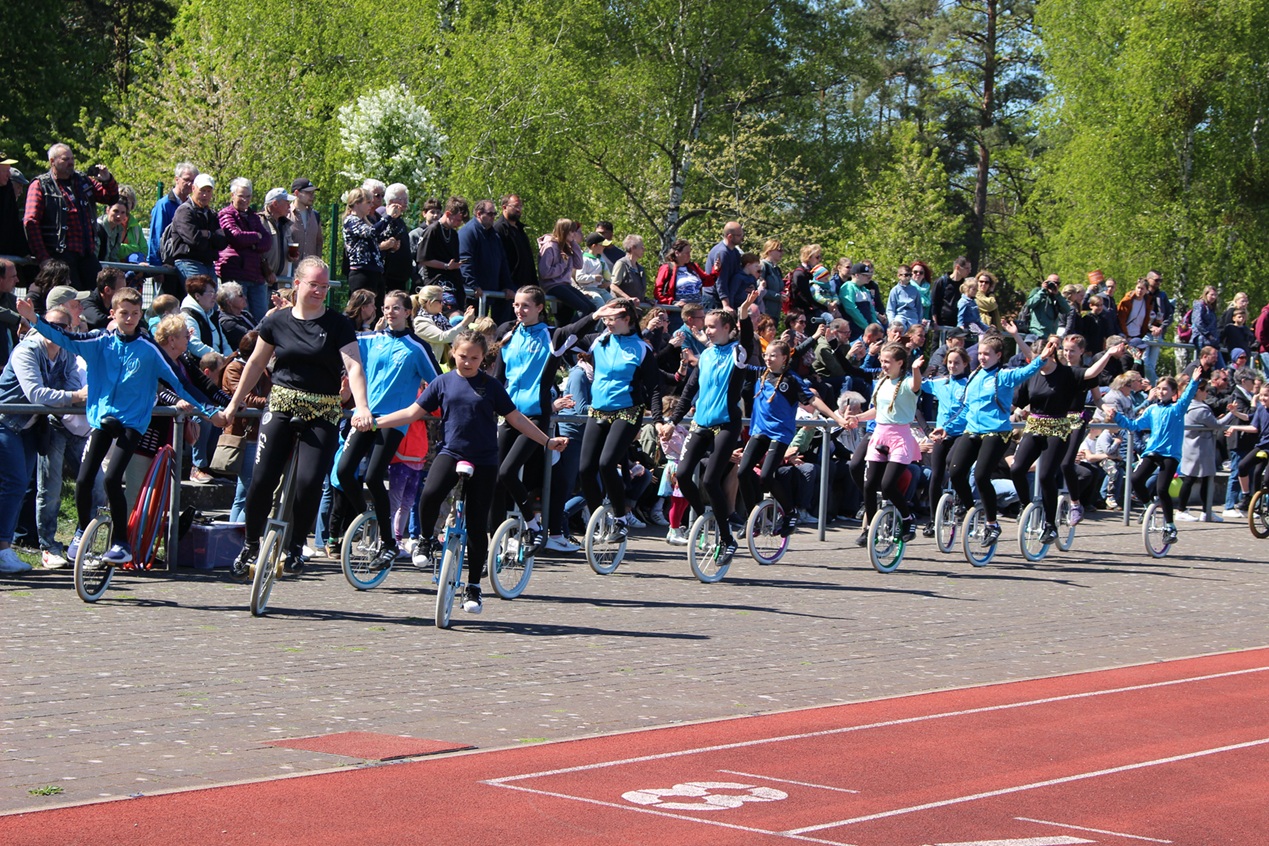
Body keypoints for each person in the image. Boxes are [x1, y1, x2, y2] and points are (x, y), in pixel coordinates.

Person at [15, 288, 224, 565]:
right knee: (84, 479)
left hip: (133, 423)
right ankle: (82, 531)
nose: (129, 318)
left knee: (113, 479)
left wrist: (211, 412)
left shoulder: (149, 348)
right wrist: (34, 319)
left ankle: (121, 542)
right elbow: (64, 337)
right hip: (103, 419)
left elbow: (181, 383)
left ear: (140, 315)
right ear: (112, 314)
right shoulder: (99, 340)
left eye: (135, 313)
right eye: (124, 313)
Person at [375, 329, 567, 615]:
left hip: (485, 459)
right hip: (451, 452)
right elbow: (412, 412)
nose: (467, 362)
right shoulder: (442, 382)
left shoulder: (491, 386)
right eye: (463, 356)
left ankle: (474, 586)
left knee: (478, 526)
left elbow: (516, 418)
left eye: (474, 358)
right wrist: (375, 422)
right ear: (453, 353)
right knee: (429, 494)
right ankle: (426, 540)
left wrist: (547, 441)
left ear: (483, 359)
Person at [222, 258, 374, 581]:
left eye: (324, 286)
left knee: (309, 481)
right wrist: (234, 404)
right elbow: (255, 364)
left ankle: (295, 546)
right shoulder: (277, 321)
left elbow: (354, 366)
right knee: (261, 478)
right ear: (297, 284)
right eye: (313, 285)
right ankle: (250, 544)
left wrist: (362, 406)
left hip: (323, 409)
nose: (319, 291)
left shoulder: (338, 324)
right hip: (282, 402)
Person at [327, 290, 440, 567]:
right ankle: (369, 516)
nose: (390, 312)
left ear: (408, 312)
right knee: (343, 471)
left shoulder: (417, 347)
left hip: (394, 421)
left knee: (374, 476)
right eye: (386, 308)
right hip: (365, 417)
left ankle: (389, 543)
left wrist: (418, 409)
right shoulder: (369, 340)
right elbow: (341, 346)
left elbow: (438, 382)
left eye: (396, 308)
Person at [661, 290, 762, 565]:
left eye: (713, 326)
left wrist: (743, 313)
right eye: (705, 327)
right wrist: (672, 422)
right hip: (701, 423)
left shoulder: (737, 353)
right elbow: (688, 392)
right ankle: (708, 515)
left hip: (726, 424)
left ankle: (727, 539)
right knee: (682, 475)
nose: (707, 331)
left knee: (710, 480)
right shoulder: (705, 355)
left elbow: (747, 340)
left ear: (727, 328)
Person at [554, 299, 664, 545]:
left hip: (628, 412)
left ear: (628, 319)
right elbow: (564, 337)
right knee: (586, 469)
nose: (607, 322)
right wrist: (594, 315)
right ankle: (598, 518)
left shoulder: (641, 348)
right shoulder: (598, 340)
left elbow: (655, 388)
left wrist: (658, 420)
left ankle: (621, 518)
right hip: (599, 411)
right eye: (605, 319)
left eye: (612, 318)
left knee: (606, 463)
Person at [936, 321, 1051, 546]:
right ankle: (970, 509)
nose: (982, 357)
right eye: (980, 353)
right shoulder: (974, 376)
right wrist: (946, 427)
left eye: (987, 354)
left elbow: (1026, 371)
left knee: (981, 476)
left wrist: (1042, 359)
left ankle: (992, 523)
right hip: (972, 430)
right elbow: (965, 408)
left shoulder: (1004, 376)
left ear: (998, 355)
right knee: (955, 471)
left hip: (996, 433)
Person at [1009, 336, 1122, 543]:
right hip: (1035, 425)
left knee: (1051, 473)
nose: (1069, 354)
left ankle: (1054, 522)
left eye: (1073, 350)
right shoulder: (1032, 375)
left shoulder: (1069, 373)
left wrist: (1108, 353)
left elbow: (1092, 375)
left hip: (1061, 426)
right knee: (1016, 469)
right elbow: (1015, 403)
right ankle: (1026, 506)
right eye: (1066, 350)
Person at [0, 305, 86, 573]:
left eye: (63, 327)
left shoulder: (67, 353)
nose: (56, 331)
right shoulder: (26, 350)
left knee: (19, 486)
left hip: (30, 426)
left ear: (71, 329)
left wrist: (73, 396)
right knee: (14, 483)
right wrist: (74, 397)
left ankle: (4, 548)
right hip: (5, 422)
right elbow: (37, 393)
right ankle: (2, 550)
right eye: (51, 325)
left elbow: (72, 385)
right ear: (40, 325)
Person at [737, 340, 849, 536]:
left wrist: (836, 417)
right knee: (743, 472)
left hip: (779, 434)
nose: (768, 359)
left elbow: (813, 400)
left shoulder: (791, 379)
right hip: (759, 431)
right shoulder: (760, 374)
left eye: (773, 355)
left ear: (784, 358)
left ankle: (790, 512)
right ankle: (753, 518)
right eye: (766, 355)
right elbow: (739, 363)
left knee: (766, 476)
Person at [489, 285, 574, 546]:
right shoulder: (509, 335)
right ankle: (495, 540)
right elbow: (498, 379)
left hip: (536, 417)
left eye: (525, 305)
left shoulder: (552, 335)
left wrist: (596, 315)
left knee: (508, 472)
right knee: (496, 479)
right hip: (510, 415)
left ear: (539, 307)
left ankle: (533, 523)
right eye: (516, 305)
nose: (519, 309)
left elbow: (580, 329)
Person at [1105, 373, 1203, 545]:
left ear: (1173, 392)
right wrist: (1117, 416)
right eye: (1159, 388)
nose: (1161, 392)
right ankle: (1147, 506)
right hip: (1152, 452)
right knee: (1135, 479)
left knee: (1162, 489)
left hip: (1170, 455)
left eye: (1165, 389)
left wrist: (1194, 381)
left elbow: (1187, 396)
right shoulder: (1152, 410)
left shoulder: (1177, 409)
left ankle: (1170, 526)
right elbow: (1134, 425)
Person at [846, 344, 925, 544]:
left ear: (900, 363)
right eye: (881, 361)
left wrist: (916, 369)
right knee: (869, 485)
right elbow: (878, 410)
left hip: (899, 437)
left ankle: (907, 518)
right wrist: (858, 418)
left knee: (888, 485)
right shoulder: (881, 382)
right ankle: (870, 528)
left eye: (887, 361)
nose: (883, 365)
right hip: (880, 435)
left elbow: (916, 385)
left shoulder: (907, 383)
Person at [23, 143, 118, 289]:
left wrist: (107, 179)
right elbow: (31, 222)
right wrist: (43, 258)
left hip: (86, 253)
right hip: (59, 256)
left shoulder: (83, 180)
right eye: (65, 159)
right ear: (52, 161)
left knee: (99, 292)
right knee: (69, 296)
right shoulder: (41, 185)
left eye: (72, 158)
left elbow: (110, 198)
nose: (71, 162)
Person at [920, 346, 971, 535]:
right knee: (936, 475)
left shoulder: (968, 385)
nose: (952, 366)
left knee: (954, 465)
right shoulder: (940, 383)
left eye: (957, 362)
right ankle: (933, 519)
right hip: (940, 437)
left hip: (959, 434)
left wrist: (947, 428)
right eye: (950, 362)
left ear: (964, 364)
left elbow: (965, 410)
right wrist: (917, 370)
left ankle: (962, 502)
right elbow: (917, 384)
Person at [216, 178, 274, 322]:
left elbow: (267, 241)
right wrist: (256, 237)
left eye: (248, 196)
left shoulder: (253, 217)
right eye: (241, 196)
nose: (245, 200)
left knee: (261, 319)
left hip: (255, 274)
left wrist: (251, 242)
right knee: (240, 316)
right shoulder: (226, 214)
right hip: (236, 272)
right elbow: (236, 237)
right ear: (232, 195)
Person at [168, 174, 227, 283]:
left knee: (210, 293)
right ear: (193, 188)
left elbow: (222, 242)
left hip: (208, 264)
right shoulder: (184, 211)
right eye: (202, 190)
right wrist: (212, 237)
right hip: (189, 262)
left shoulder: (211, 214)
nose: (205, 195)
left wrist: (207, 234)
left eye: (209, 191)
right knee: (201, 292)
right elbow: (194, 240)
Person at [343, 186, 395, 308]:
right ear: (357, 203)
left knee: (377, 309)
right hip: (361, 272)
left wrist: (393, 219)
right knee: (361, 309)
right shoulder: (351, 220)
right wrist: (387, 217)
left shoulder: (366, 222)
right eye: (368, 203)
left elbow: (379, 234)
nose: (371, 206)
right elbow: (370, 232)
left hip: (375, 271)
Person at [417, 196, 469, 311]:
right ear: (448, 214)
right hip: (436, 282)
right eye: (457, 220)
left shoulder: (453, 234)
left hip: (453, 281)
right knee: (450, 312)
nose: (459, 224)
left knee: (461, 309)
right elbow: (423, 259)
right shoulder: (432, 230)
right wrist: (445, 266)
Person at [148, 163, 199, 275]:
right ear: (177, 179)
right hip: (167, 265)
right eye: (186, 180)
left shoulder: (193, 206)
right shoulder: (164, 204)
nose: (190, 184)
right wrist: (157, 267)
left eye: (193, 181)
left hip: (185, 263)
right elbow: (156, 236)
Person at [412, 285, 476, 365]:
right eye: (440, 301)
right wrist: (464, 322)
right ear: (429, 302)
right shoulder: (420, 322)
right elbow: (443, 337)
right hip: (424, 368)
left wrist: (464, 321)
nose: (443, 304)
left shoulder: (440, 318)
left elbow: (455, 336)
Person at [492, 194, 537, 290]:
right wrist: (505, 285)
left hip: (526, 285)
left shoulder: (520, 230)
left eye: (520, 206)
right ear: (504, 207)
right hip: (509, 287)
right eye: (515, 206)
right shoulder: (499, 229)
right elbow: (498, 261)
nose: (519, 209)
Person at [653, 239, 714, 308]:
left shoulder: (693, 267)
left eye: (689, 252)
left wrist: (716, 270)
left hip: (697, 309)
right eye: (686, 253)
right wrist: (672, 303)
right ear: (677, 253)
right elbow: (658, 292)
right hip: (678, 310)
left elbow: (708, 282)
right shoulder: (667, 268)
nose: (689, 255)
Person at [704, 221, 744, 309]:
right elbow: (721, 280)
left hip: (725, 297)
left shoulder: (735, 252)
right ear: (730, 236)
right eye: (739, 235)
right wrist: (726, 305)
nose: (742, 237)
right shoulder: (723, 253)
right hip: (714, 299)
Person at [288, 178, 322, 263]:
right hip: (291, 269)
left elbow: (319, 242)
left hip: (311, 268)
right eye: (308, 192)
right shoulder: (286, 215)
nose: (312, 196)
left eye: (313, 193)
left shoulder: (315, 216)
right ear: (296, 193)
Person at [931, 256, 972, 328]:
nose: (969, 271)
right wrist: (935, 322)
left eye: (970, 268)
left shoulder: (965, 284)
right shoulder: (942, 282)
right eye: (967, 268)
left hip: (960, 325)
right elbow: (934, 303)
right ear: (957, 267)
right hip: (942, 325)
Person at [216, 282, 256, 351]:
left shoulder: (245, 314)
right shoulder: (226, 322)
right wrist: (267, 317)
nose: (245, 297)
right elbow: (252, 337)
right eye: (240, 295)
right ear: (229, 302)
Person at [610, 235, 648, 302]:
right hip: (621, 306)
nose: (644, 249)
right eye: (641, 247)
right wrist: (628, 298)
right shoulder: (621, 264)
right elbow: (613, 286)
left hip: (636, 308)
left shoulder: (640, 268)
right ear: (633, 248)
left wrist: (646, 300)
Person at [887, 265, 923, 330]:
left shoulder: (915, 290)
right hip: (900, 316)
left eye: (910, 275)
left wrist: (919, 322)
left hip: (912, 317)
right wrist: (892, 322)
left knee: (914, 331)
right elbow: (890, 309)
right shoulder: (895, 290)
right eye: (906, 275)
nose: (908, 277)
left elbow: (919, 307)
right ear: (899, 276)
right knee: (899, 328)